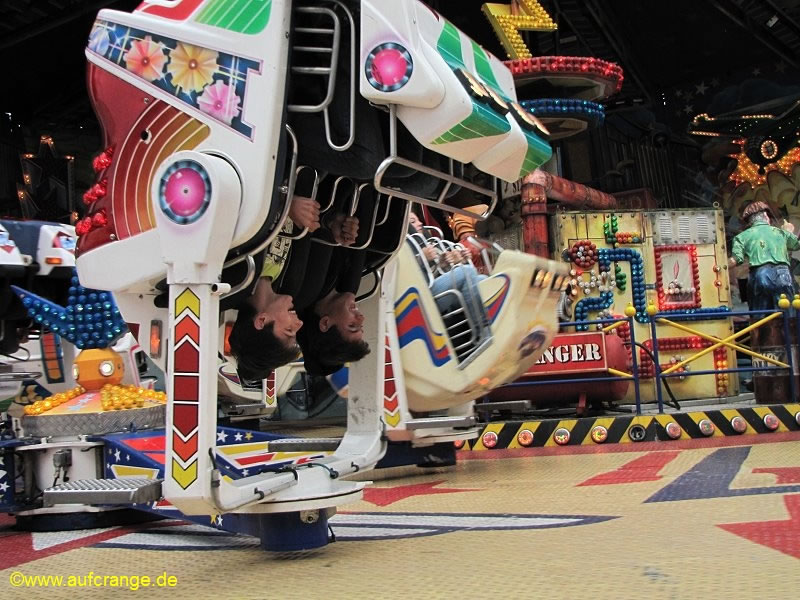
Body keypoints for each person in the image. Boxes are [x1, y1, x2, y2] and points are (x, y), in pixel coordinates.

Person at [228, 195, 321, 382]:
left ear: (261, 321)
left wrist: (285, 203)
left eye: (289, 330)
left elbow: (234, 205)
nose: (299, 324)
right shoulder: (282, 278)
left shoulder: (236, 273)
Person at [729, 201, 800, 310]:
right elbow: (795, 245)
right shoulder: (780, 233)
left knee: (760, 313)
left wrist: (720, 266)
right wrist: (788, 231)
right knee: (787, 311)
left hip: (760, 274)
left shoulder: (742, 237)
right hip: (783, 274)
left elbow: (736, 259)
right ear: (766, 216)